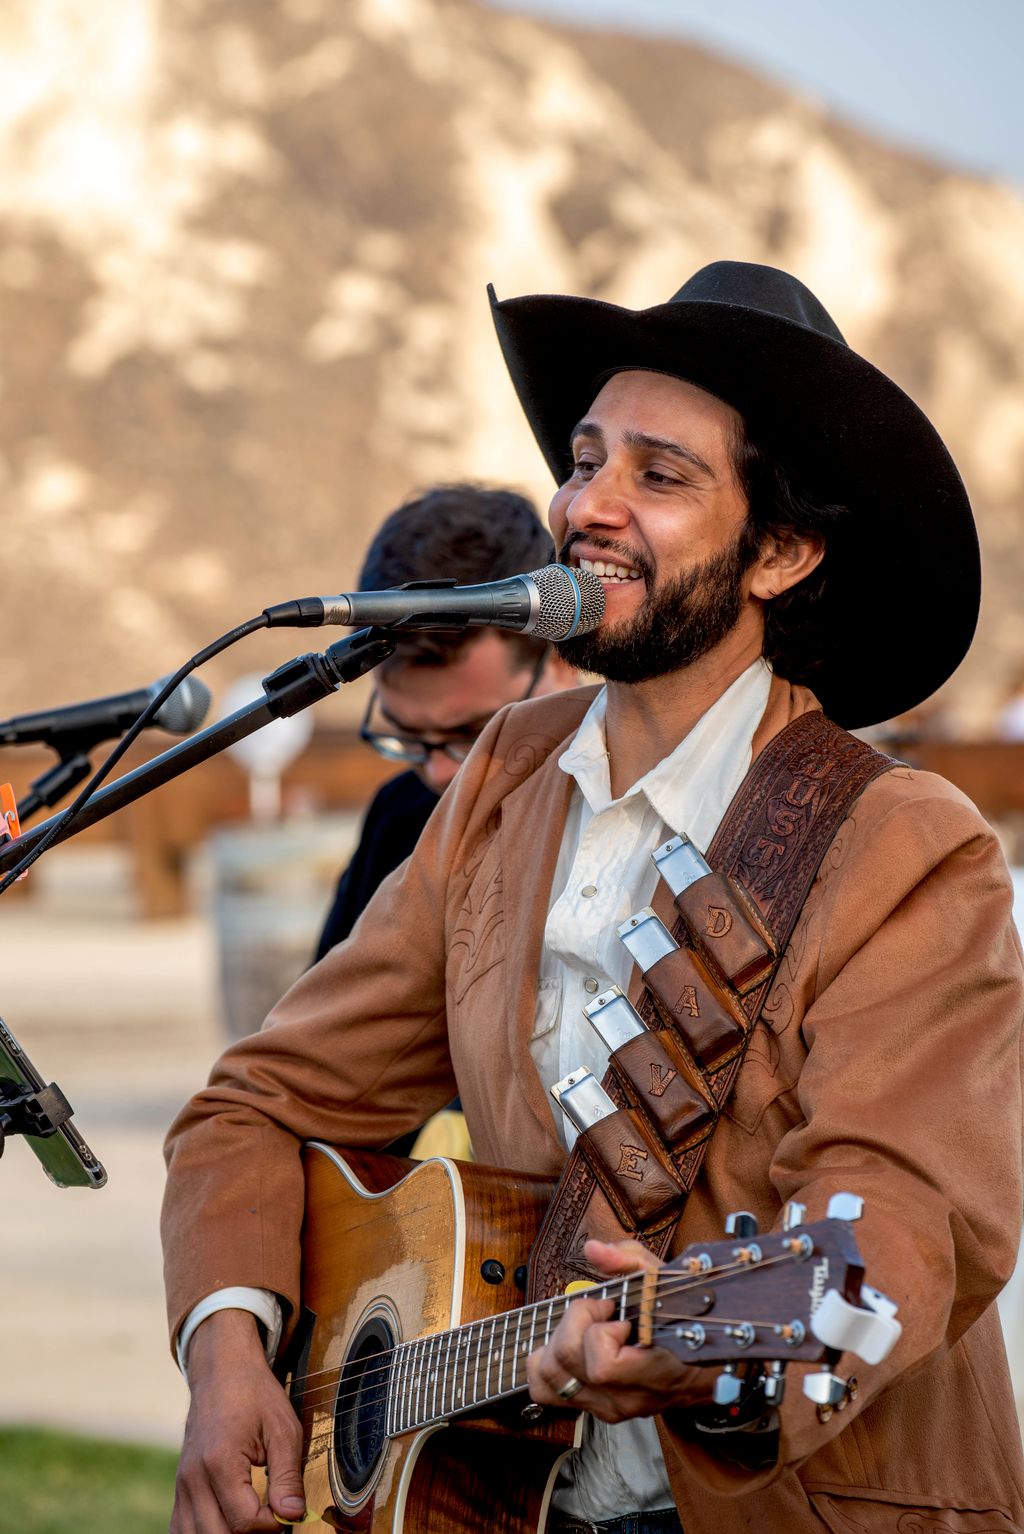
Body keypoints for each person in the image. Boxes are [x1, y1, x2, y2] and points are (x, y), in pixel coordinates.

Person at [162, 261, 1024, 1534]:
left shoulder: (906, 843)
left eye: (658, 475)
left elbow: (899, 1217)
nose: (587, 507)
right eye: (583, 459)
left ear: (780, 551)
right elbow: (260, 1101)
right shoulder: (508, 776)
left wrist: (704, 1355)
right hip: (512, 1500)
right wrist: (228, 1349)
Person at [314, 483, 576, 961]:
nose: (438, 775)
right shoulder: (400, 814)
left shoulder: (629, 809)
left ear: (560, 658)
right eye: (408, 736)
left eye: (474, 734)